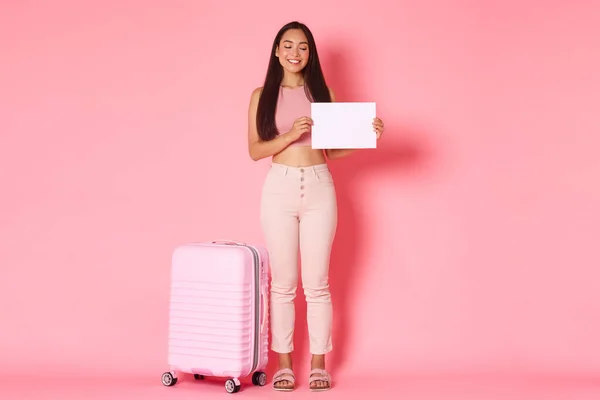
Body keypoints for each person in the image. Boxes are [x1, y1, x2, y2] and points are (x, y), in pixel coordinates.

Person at [247, 21, 384, 392]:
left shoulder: (323, 94)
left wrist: (365, 137)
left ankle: (319, 365)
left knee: (318, 284)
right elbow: (255, 150)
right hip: (279, 188)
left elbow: (331, 150)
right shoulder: (262, 95)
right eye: (288, 45)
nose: (295, 53)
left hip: (320, 187)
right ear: (276, 51)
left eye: (303, 47)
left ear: (311, 54)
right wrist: (290, 134)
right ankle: (285, 364)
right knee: (284, 285)